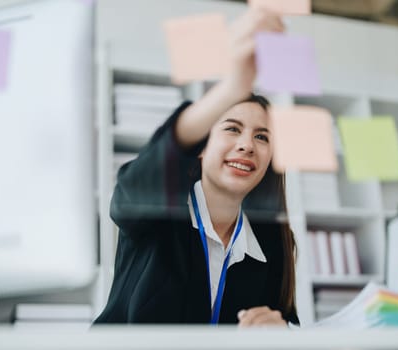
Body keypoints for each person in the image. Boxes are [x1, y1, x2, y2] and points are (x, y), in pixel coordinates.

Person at [94, 8, 298, 327]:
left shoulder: (272, 241)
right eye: (231, 129)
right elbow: (132, 188)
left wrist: (281, 330)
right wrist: (232, 87)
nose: (247, 144)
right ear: (201, 147)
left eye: (262, 136)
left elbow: (285, 318)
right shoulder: (158, 213)